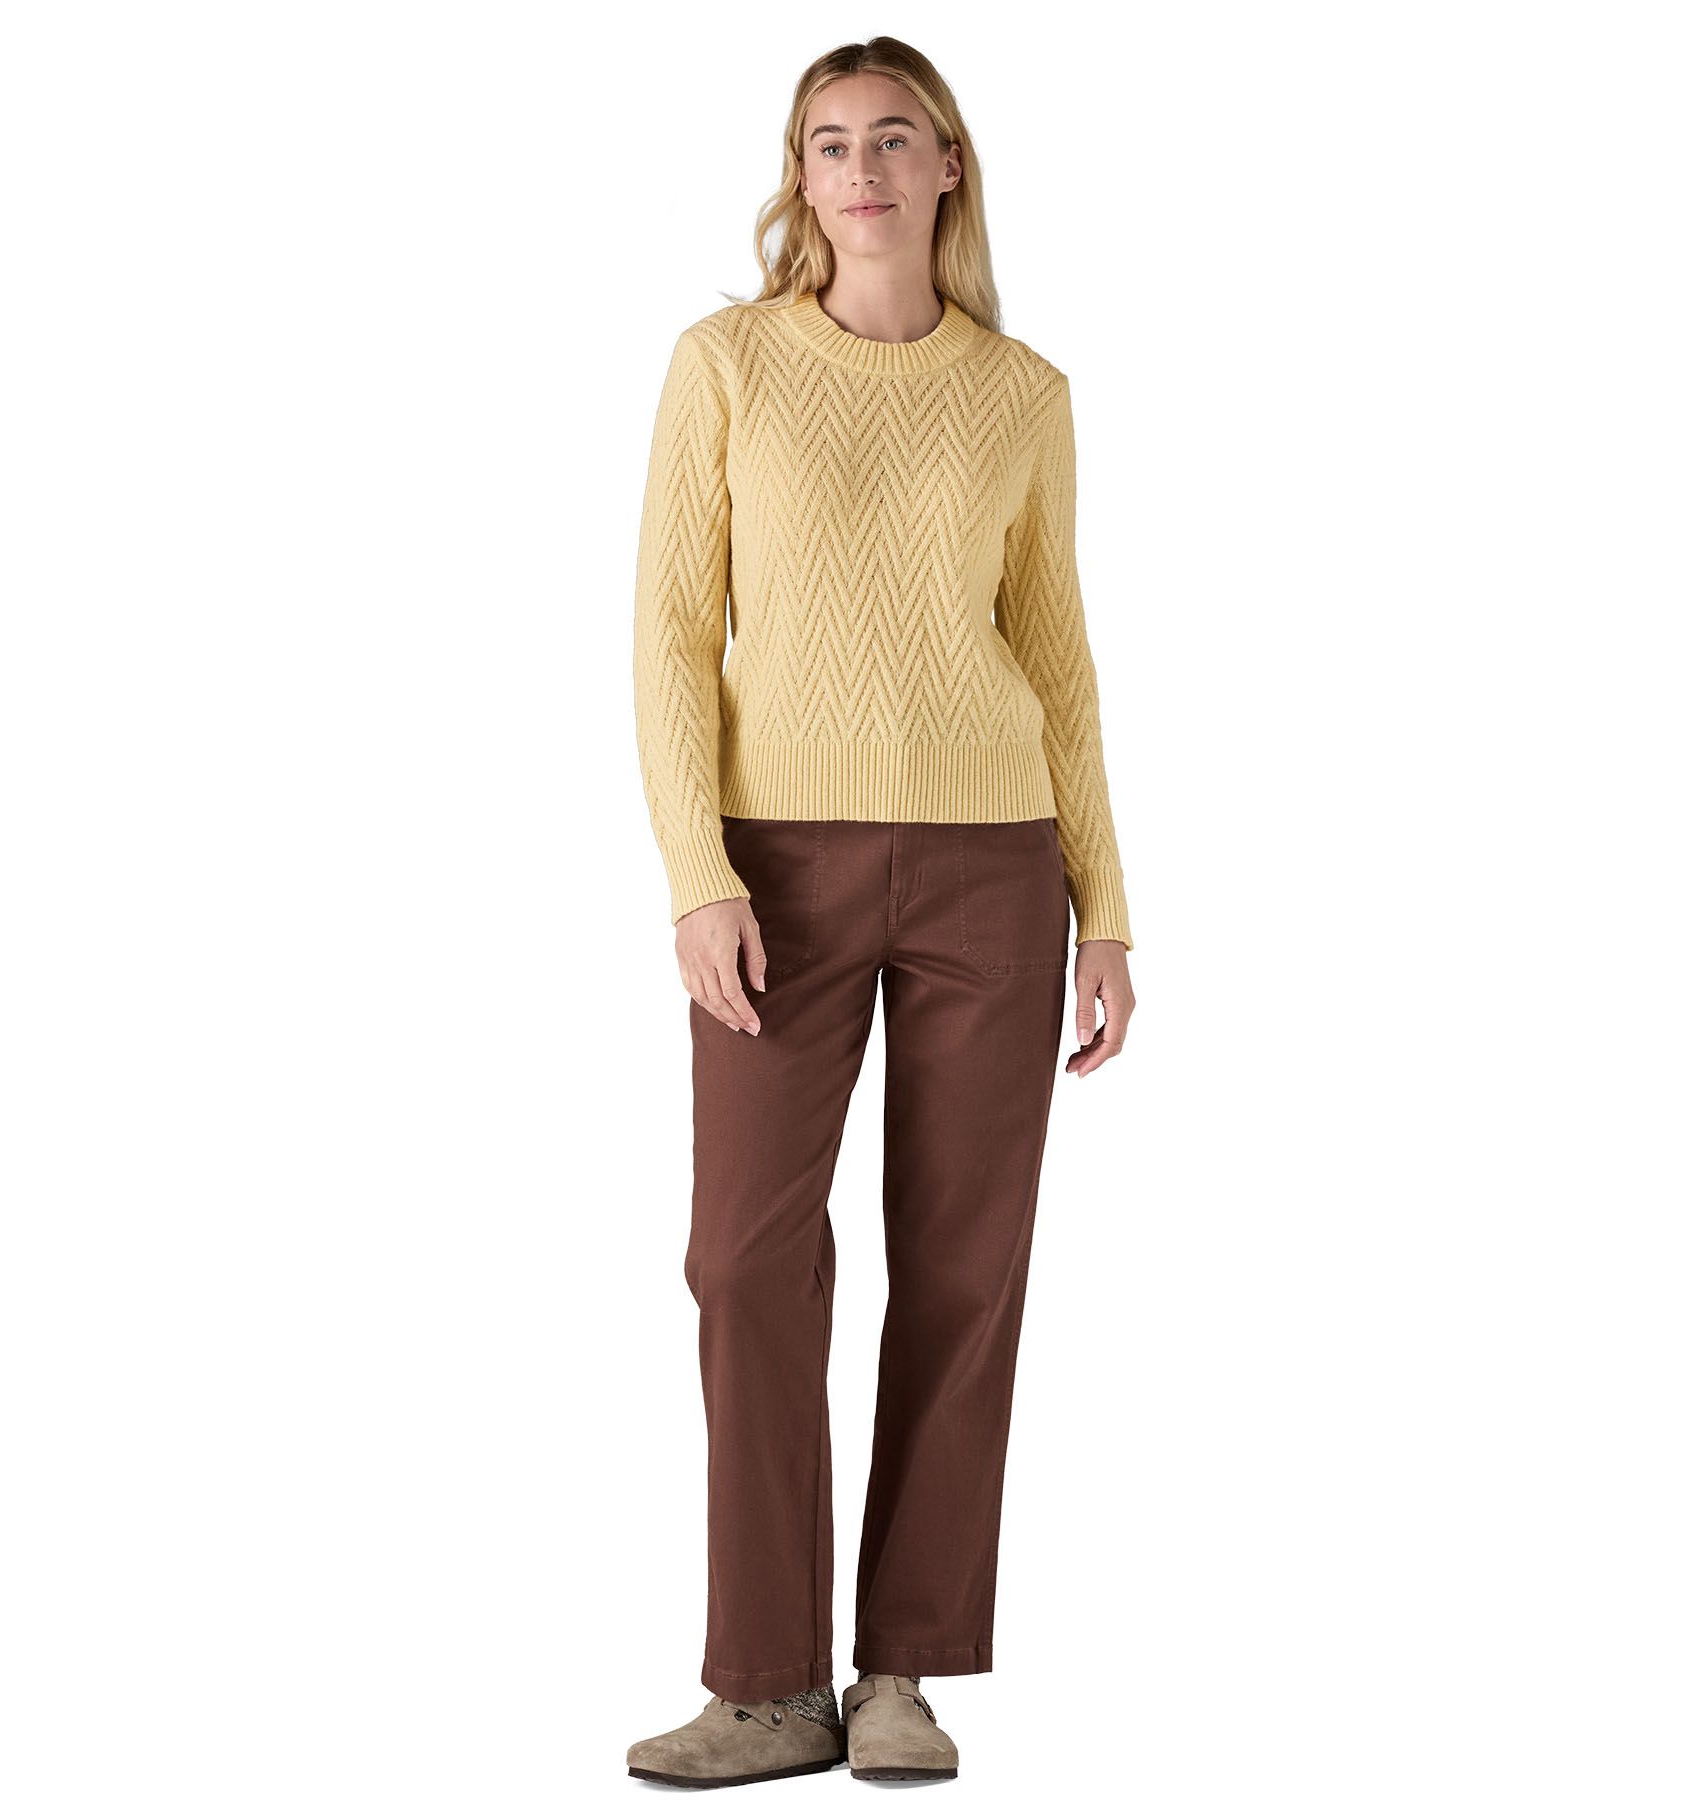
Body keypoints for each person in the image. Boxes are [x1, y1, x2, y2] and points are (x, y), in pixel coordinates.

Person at [626, 36, 1137, 1786]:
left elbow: (1058, 660)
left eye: (892, 138)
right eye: (828, 142)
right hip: (775, 867)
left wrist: (1107, 908)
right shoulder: (726, 367)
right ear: (801, 176)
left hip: (995, 865)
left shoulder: (1023, 393)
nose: (860, 168)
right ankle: (769, 1685)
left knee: (967, 1264)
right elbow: (668, 638)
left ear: (946, 167)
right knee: (744, 1256)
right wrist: (698, 875)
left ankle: (903, 1671)